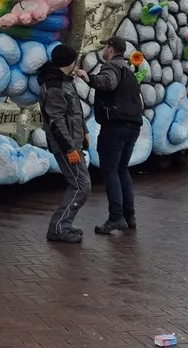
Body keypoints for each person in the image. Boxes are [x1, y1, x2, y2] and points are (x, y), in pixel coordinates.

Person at [75, 36, 143, 235]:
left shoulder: (111, 67)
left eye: (105, 46)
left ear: (111, 49)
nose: (103, 49)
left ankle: (115, 217)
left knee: (110, 170)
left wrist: (88, 77)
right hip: (132, 127)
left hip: (115, 127)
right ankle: (129, 216)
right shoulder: (128, 71)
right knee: (122, 170)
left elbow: (108, 83)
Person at [37, 44, 90, 243]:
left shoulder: (65, 81)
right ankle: (58, 228)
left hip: (74, 142)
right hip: (66, 146)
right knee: (80, 186)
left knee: (80, 185)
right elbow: (56, 120)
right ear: (71, 61)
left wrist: (84, 132)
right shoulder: (54, 85)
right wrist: (69, 148)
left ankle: (63, 225)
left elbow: (74, 111)